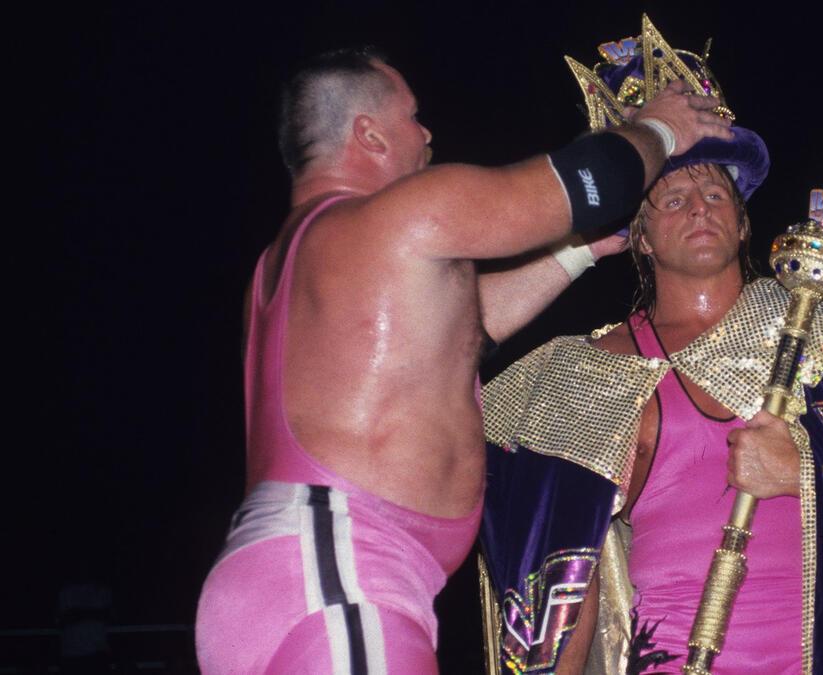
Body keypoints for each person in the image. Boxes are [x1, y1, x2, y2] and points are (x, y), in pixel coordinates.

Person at [195, 44, 734, 673]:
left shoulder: (295, 261)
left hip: (292, 579)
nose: (427, 134)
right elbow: (592, 183)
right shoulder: (400, 212)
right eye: (412, 115)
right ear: (368, 134)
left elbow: (460, 330)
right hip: (342, 572)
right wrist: (662, 127)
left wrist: (580, 253)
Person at [479, 17, 823, 674]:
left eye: (716, 191)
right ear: (637, 235)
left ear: (744, 221)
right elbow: (561, 584)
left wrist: (806, 478)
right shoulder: (585, 371)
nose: (699, 207)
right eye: (673, 197)